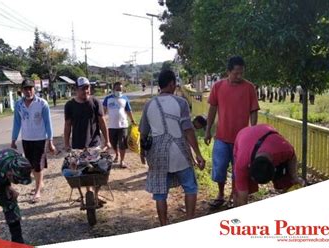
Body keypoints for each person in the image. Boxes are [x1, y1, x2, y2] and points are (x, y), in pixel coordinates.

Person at [140, 70, 205, 226]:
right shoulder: (180, 103)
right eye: (174, 83)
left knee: (160, 193)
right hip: (179, 152)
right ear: (171, 84)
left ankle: (164, 225)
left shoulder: (149, 104)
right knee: (190, 187)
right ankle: (189, 221)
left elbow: (143, 132)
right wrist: (198, 154)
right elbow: (188, 130)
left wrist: (142, 152)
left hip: (157, 154)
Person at [204, 56, 259, 209]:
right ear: (228, 71)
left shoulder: (249, 87)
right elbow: (212, 109)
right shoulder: (218, 86)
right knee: (219, 168)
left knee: (238, 170)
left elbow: (253, 110)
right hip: (222, 137)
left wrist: (253, 131)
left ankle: (234, 196)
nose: (239, 76)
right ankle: (221, 193)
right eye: (236, 73)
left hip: (242, 141)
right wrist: (208, 130)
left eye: (242, 73)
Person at [64, 76, 112, 205]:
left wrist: (107, 140)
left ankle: (95, 195)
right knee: (78, 172)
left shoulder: (95, 102)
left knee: (97, 171)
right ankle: (83, 195)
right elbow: (67, 125)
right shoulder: (70, 105)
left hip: (94, 143)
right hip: (77, 145)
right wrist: (67, 144)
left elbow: (102, 122)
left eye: (87, 88)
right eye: (82, 88)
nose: (86, 91)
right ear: (76, 89)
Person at [233, 124, 304, 206]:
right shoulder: (242, 163)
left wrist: (294, 176)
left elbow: (292, 157)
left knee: (287, 180)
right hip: (244, 135)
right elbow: (242, 196)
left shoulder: (283, 149)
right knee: (240, 189)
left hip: (266, 133)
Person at [12, 79, 55, 203]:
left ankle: (37, 191)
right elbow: (16, 123)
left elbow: (48, 123)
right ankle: (40, 183)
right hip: (26, 139)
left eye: (30, 88)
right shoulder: (18, 105)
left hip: (40, 139)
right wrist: (13, 139)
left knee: (38, 166)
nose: (28, 91)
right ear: (22, 90)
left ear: (34, 89)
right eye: (26, 88)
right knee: (31, 165)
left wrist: (50, 140)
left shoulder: (42, 103)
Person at [103, 82, 136, 168]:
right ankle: (116, 154)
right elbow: (103, 111)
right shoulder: (107, 99)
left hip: (123, 125)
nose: (119, 91)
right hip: (111, 126)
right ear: (113, 89)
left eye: (120, 89)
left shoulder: (125, 98)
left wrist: (132, 120)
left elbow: (129, 110)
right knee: (113, 143)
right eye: (117, 89)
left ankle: (122, 161)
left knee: (122, 143)